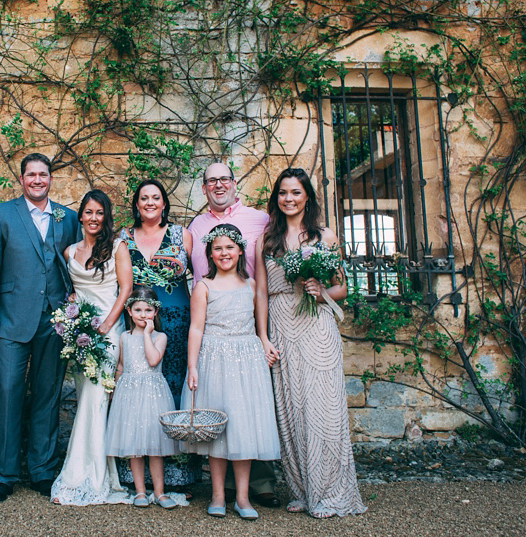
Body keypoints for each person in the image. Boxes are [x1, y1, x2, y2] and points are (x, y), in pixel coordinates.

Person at [257, 168, 367, 518]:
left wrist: (321, 292)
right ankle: (302, 490)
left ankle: (332, 491)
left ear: (307, 197)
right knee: (290, 408)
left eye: (296, 192)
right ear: (276, 198)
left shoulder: (325, 237)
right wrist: (262, 336)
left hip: (317, 328)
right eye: (283, 193)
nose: (289, 199)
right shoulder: (267, 239)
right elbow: (260, 291)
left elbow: (343, 289)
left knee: (323, 408)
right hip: (280, 325)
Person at [0, 153, 81, 502]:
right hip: (10, 320)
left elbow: (78, 265)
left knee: (47, 395)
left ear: (51, 179)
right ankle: (4, 475)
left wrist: (76, 313)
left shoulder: (68, 218)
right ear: (21, 180)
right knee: (8, 393)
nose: (37, 180)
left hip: (55, 321)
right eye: (31, 175)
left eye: (43, 175)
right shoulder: (1, 215)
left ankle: (42, 471)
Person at [187, 162, 278, 507]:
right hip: (212, 331)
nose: (219, 185)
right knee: (219, 410)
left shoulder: (259, 220)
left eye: (224, 178)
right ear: (205, 187)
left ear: (234, 183)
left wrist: (263, 337)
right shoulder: (197, 225)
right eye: (211, 180)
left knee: (248, 410)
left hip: (250, 324)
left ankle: (257, 487)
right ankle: (219, 491)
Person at [50, 190, 132, 505]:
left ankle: (83, 476)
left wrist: (106, 325)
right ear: (80, 216)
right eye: (88, 212)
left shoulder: (117, 248)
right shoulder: (70, 252)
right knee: (88, 396)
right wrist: (74, 312)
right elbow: (72, 290)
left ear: (105, 216)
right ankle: (103, 473)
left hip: (108, 332)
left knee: (96, 400)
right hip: (81, 334)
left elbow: (125, 290)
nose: (94, 218)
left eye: (99, 212)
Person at [119, 179, 200, 489]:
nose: (150, 202)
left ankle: (179, 475)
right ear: (137, 205)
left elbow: (199, 278)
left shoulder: (182, 235)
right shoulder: (124, 238)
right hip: (137, 325)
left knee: (176, 390)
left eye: (156, 197)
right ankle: (135, 476)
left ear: (164, 203)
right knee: (138, 393)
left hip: (177, 323)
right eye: (144, 198)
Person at [105, 287, 179, 510]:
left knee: (155, 446)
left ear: (155, 312)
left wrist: (147, 334)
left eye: (148, 310)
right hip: (129, 393)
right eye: (138, 310)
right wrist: (115, 387)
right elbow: (121, 365)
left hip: (153, 393)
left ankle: (159, 492)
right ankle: (139, 491)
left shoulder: (160, 337)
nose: (143, 315)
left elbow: (154, 360)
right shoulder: (124, 337)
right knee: (134, 446)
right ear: (129, 311)